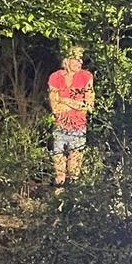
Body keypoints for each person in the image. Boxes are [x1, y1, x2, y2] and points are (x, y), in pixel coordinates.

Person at [48, 46, 94, 186]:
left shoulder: (86, 76)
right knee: (59, 161)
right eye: (76, 59)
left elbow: (89, 105)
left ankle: (73, 193)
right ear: (67, 61)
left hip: (79, 125)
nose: (79, 63)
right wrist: (76, 104)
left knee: (75, 161)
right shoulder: (55, 77)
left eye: (81, 60)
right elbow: (55, 107)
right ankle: (59, 193)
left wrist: (66, 100)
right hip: (60, 124)